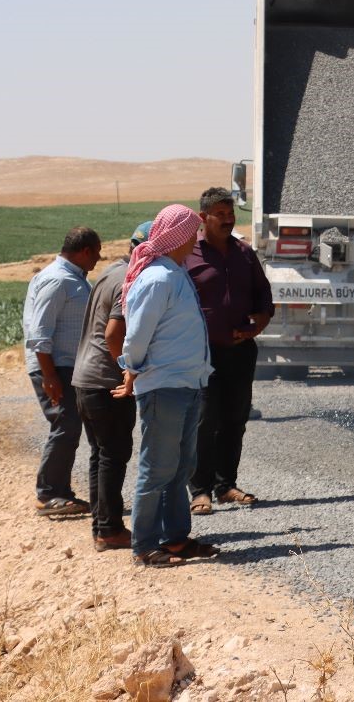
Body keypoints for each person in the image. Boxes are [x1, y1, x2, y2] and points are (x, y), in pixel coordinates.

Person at [116, 204, 217, 567]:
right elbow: (137, 334)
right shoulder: (157, 278)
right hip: (164, 385)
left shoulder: (175, 273)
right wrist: (131, 368)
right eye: (192, 232)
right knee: (157, 468)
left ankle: (175, 539)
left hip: (187, 383)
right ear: (179, 235)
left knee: (179, 467)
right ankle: (144, 545)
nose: (196, 238)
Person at [186, 186, 273, 514]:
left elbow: (264, 299)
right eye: (219, 214)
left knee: (235, 419)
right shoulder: (188, 255)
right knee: (205, 420)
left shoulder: (244, 253)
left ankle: (226, 486)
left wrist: (258, 325)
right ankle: (199, 490)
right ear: (202, 217)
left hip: (239, 352)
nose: (227, 220)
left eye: (230, 214)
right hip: (201, 354)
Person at [72, 221, 152, 551]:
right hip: (106, 382)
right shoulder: (127, 281)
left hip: (85, 378)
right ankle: (109, 530)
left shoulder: (111, 271)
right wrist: (128, 370)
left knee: (101, 455)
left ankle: (101, 527)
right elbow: (113, 334)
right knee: (114, 456)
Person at [23, 226, 102, 518]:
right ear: (85, 251)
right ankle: (48, 494)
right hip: (53, 366)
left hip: (68, 365)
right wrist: (49, 375)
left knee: (70, 425)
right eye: (97, 252)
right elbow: (39, 332)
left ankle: (62, 493)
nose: (98, 258)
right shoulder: (57, 280)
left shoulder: (75, 279)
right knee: (65, 424)